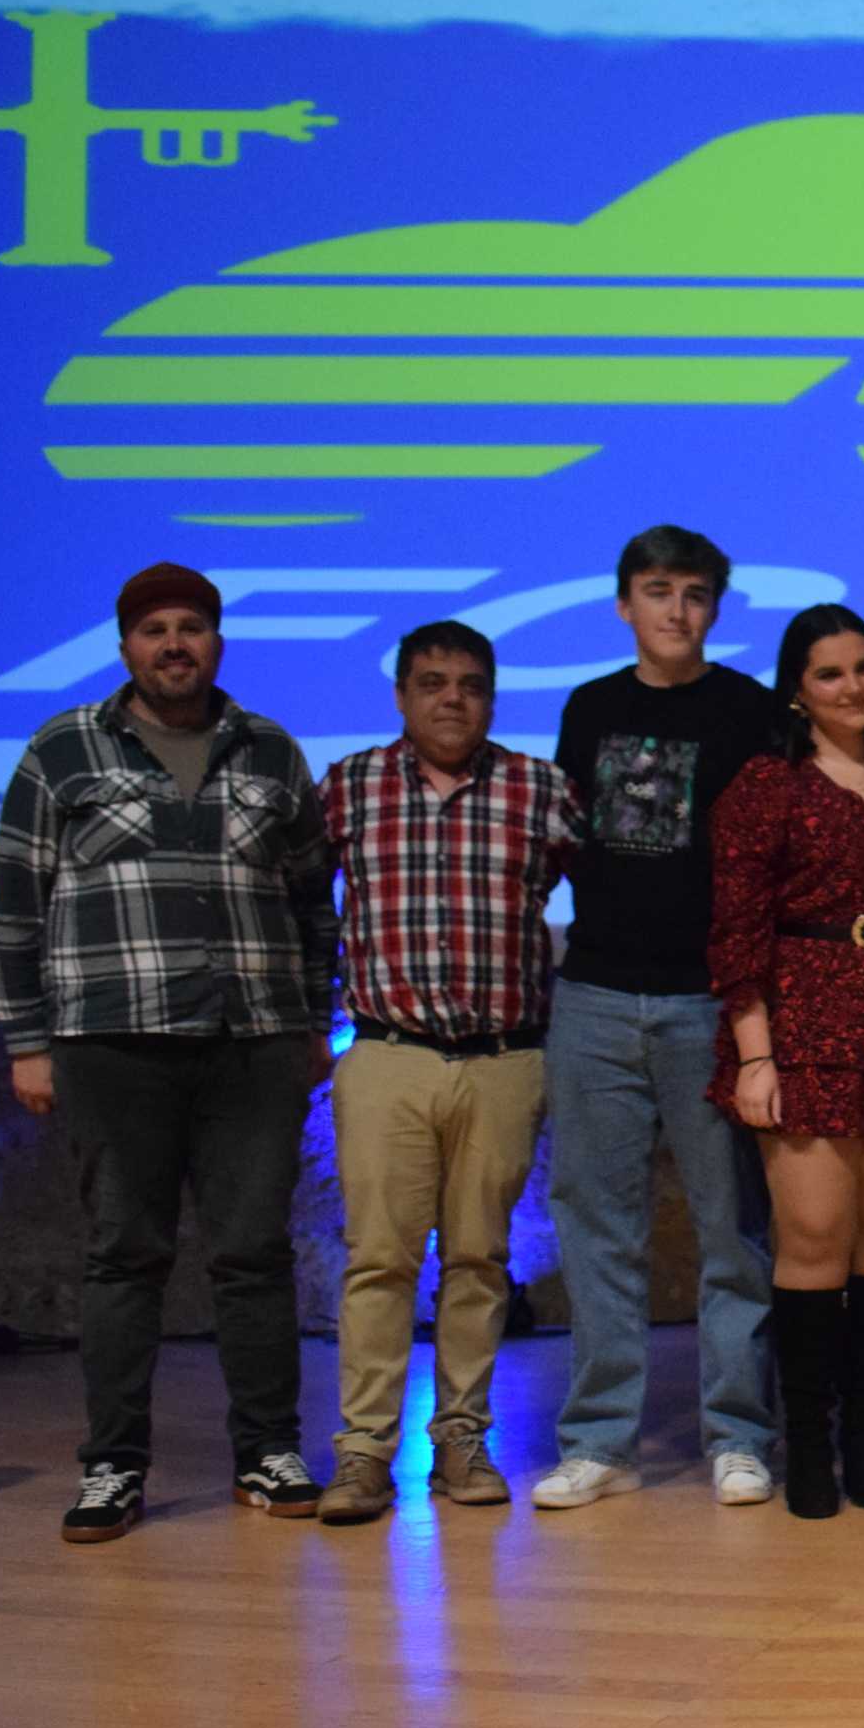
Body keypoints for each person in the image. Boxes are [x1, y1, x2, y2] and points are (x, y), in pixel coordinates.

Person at [0, 562, 338, 1544]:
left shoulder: (269, 749)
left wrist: (313, 1020)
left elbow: (313, 902)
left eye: (192, 626)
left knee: (254, 1256)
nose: (174, 643)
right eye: (155, 629)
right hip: (110, 1045)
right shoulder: (63, 748)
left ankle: (267, 1450)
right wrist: (28, 1041)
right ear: (125, 644)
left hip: (252, 1045)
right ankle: (111, 1466)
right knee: (122, 1258)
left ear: (217, 640)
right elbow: (14, 906)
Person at [535, 525, 781, 1511]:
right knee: (596, 1224)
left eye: (693, 592)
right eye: (656, 589)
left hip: (709, 998)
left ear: (715, 607)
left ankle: (739, 1433)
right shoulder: (590, 706)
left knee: (731, 1226)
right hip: (594, 991)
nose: (675, 609)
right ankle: (599, 1439)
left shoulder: (749, 709)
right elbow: (569, 837)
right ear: (624, 602)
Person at [313, 622, 581, 1525]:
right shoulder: (348, 787)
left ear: (492, 697)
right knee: (378, 1260)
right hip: (388, 1055)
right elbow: (300, 907)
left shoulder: (539, 789)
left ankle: (462, 1437)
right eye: (432, 683)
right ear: (401, 696)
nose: (451, 699)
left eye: (470, 684)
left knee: (479, 1260)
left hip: (503, 1061)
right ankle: (362, 1453)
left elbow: (619, 900)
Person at [707, 605, 864, 1518]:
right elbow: (736, 932)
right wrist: (755, 1055)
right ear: (796, 691)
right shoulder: (765, 783)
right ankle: (806, 1442)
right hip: (803, 1016)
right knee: (813, 1241)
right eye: (830, 673)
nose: (854, 686)